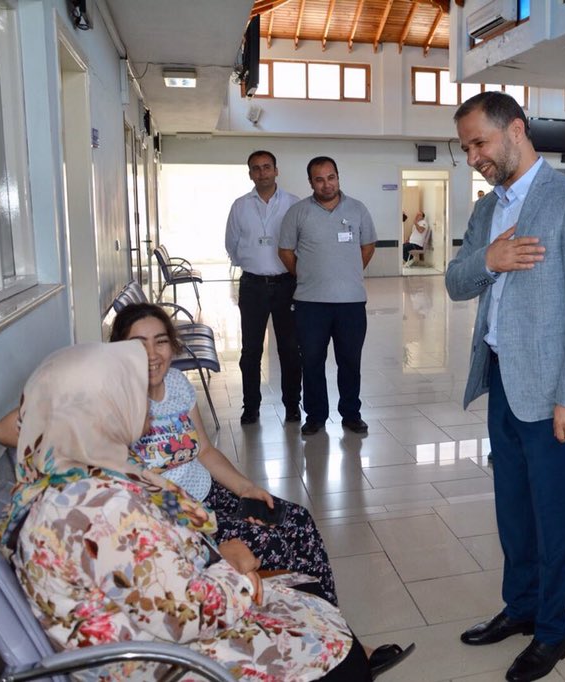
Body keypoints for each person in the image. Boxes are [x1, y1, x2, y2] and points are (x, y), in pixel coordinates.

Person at [0, 341, 374, 680]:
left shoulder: (64, 476)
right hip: (159, 661)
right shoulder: (101, 509)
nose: (146, 400)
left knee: (307, 597)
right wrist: (234, 566)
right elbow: (186, 616)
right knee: (339, 656)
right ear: (100, 410)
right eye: (131, 390)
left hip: (142, 634)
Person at [447, 91, 565, 682]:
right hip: (502, 380)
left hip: (552, 396)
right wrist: (490, 260)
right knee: (513, 510)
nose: (473, 157)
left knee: (554, 516)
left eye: (479, 143)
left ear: (516, 129)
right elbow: (455, 282)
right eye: (466, 148)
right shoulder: (488, 209)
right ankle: (520, 608)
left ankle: (553, 631)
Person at [109, 303, 339, 604]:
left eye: (160, 341)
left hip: (210, 494)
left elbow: (204, 450)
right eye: (139, 344)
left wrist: (246, 489)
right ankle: (292, 620)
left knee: (298, 521)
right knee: (270, 543)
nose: (152, 354)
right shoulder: (116, 405)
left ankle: (330, 620)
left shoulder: (176, 383)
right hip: (172, 518)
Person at [278, 157, 377, 436]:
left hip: (351, 303)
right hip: (310, 304)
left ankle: (351, 414)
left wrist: (348, 273)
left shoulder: (357, 209)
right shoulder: (298, 212)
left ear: (338, 177)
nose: (326, 184)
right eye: (319, 179)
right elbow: (285, 251)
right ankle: (316, 416)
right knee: (311, 361)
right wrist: (306, 275)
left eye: (331, 177)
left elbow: (368, 246)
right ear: (311, 182)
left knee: (350, 361)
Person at [225, 150, 302, 426]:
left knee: (290, 349)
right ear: (250, 174)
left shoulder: (293, 204)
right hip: (253, 286)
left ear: (276, 170)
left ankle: (292, 406)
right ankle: (251, 407)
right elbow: (231, 244)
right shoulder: (240, 206)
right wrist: (254, 264)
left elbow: (301, 241)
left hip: (286, 285)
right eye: (256, 168)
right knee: (251, 351)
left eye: (267, 167)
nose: (262, 173)